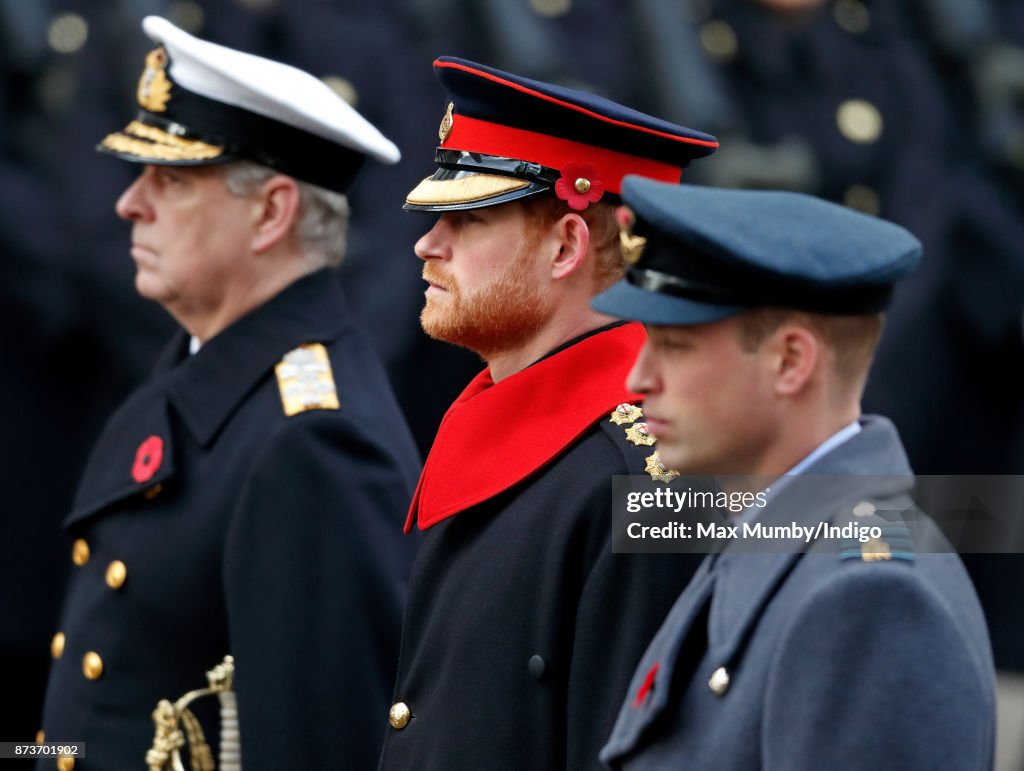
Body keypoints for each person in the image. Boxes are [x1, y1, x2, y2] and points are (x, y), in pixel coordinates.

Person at [37, 16, 420, 770]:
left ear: (272, 211)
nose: (130, 204)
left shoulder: (312, 441)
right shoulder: (200, 368)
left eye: (171, 180)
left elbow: (320, 745)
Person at [377, 57, 718, 770]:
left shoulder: (645, 478)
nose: (427, 244)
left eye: (466, 219)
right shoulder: (518, 428)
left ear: (568, 245)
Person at [595, 178, 996, 769]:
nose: (639, 379)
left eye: (676, 346)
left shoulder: (868, 601)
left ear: (790, 362)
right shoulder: (785, 538)